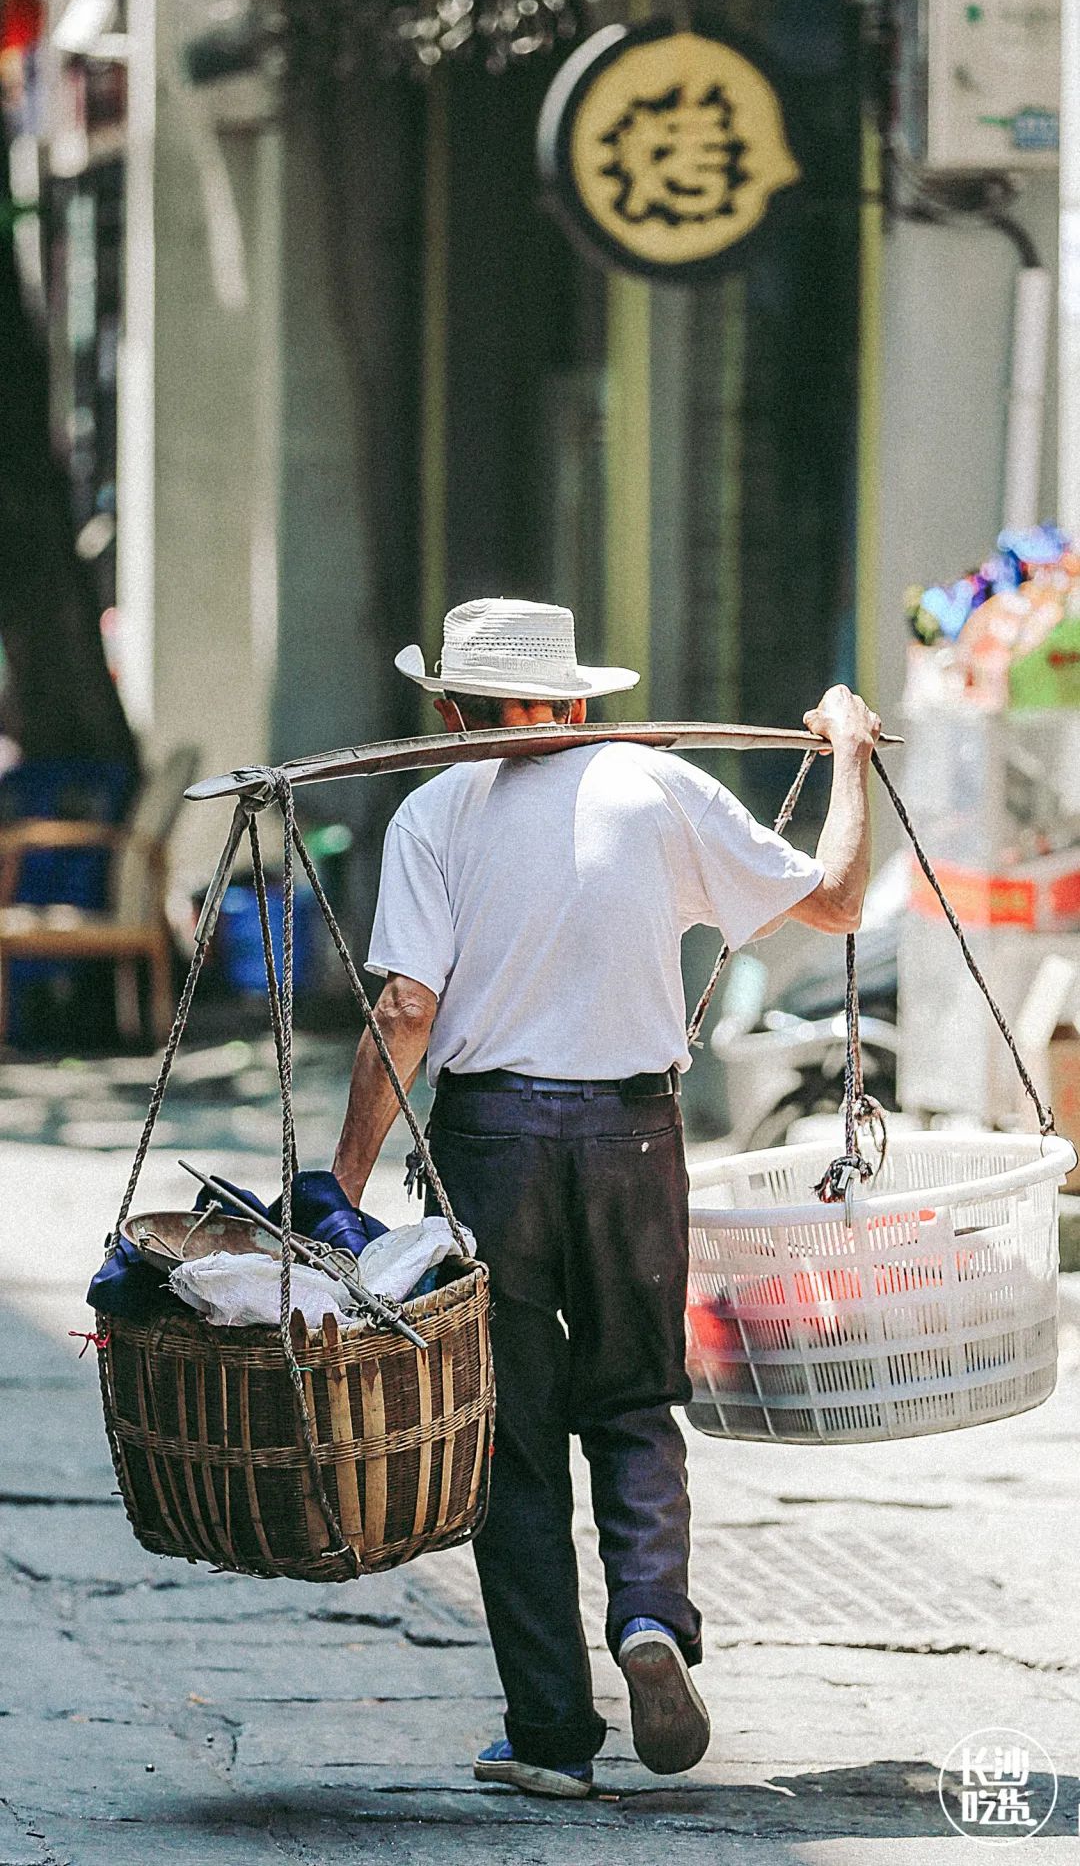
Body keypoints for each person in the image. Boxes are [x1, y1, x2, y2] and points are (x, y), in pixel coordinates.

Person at [333, 598, 880, 1798]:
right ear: (577, 701)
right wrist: (849, 751)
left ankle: (548, 1735)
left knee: (513, 1439)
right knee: (635, 1400)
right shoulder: (654, 785)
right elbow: (838, 900)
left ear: (447, 711)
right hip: (635, 1131)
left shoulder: (431, 813)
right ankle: (647, 1617)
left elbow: (406, 1013)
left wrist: (340, 1180)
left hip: (491, 1145)